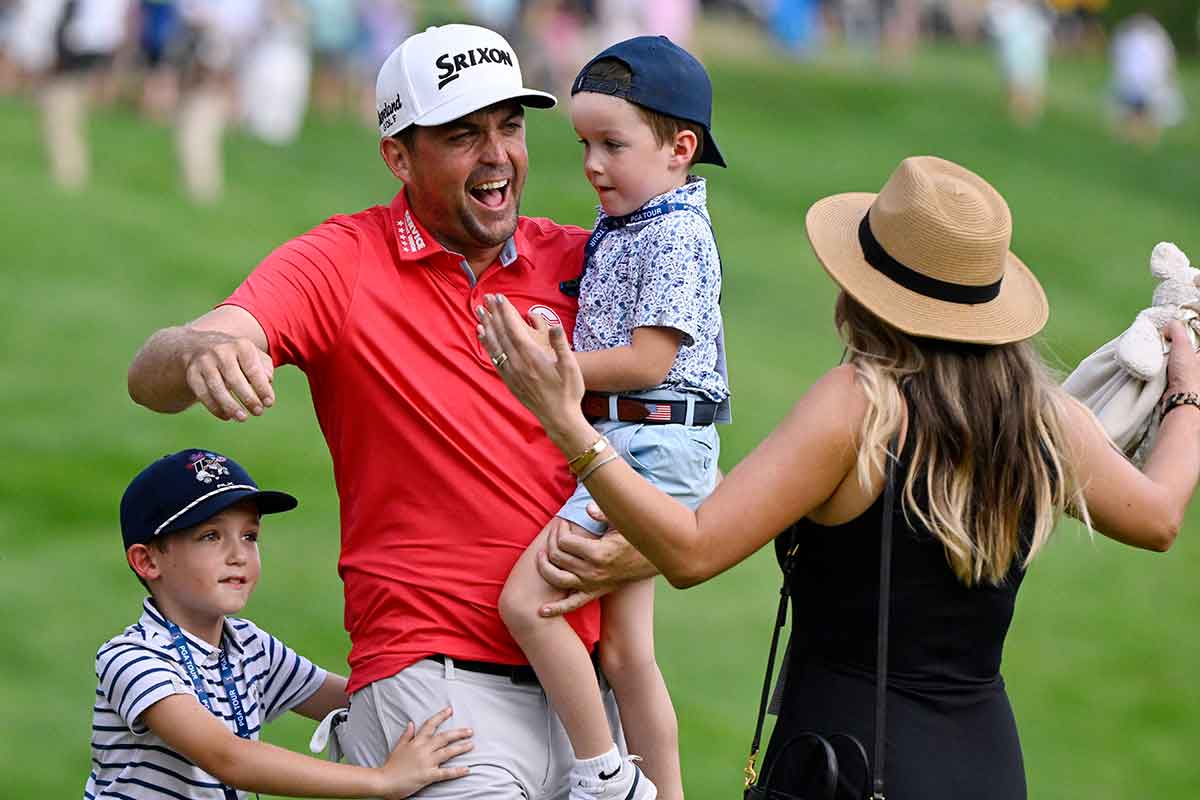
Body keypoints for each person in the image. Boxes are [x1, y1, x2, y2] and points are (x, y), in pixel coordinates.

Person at [477, 155, 1200, 799]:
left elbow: (694, 551)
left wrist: (569, 424)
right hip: (984, 763)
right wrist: (1186, 385)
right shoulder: (1039, 419)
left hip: (844, 760)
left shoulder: (860, 407)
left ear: (865, 288)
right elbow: (1161, 513)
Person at [126, 23, 655, 799]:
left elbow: (682, 458)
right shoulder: (342, 262)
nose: (497, 154)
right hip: (436, 696)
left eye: (510, 126)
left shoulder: (586, 261)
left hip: (589, 703)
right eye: (462, 134)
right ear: (398, 156)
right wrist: (198, 354)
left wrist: (639, 552)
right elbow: (156, 371)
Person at [496, 35, 728, 800]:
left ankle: (603, 776)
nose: (592, 164)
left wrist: (544, 369)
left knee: (528, 604)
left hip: (651, 442)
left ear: (679, 148)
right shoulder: (633, 224)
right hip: (642, 440)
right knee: (627, 655)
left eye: (612, 145)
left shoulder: (674, 234)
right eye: (583, 144)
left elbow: (646, 360)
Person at [87, 448, 472, 800]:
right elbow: (228, 759)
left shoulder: (250, 647)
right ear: (147, 561)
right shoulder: (132, 658)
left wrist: (462, 694)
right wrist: (383, 781)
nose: (238, 554)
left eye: (250, 535)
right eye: (210, 536)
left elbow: (361, 700)